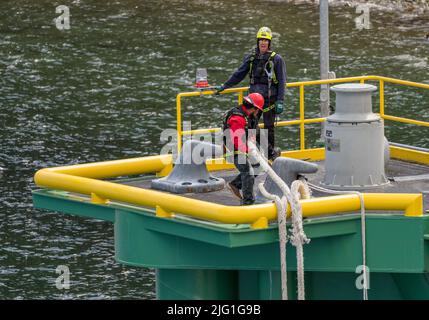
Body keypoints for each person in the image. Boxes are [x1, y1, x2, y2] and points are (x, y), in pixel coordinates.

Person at [215, 26, 287, 161]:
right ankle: (251, 152)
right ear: (257, 41)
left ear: (269, 42)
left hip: (270, 100)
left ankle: (270, 154)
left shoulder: (276, 59)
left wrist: (280, 100)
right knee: (250, 126)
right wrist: (225, 85)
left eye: (266, 40)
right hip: (253, 101)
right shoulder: (251, 58)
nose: (263, 43)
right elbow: (239, 74)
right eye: (261, 40)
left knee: (269, 127)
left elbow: (282, 81)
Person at [223, 93, 264, 205]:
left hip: (245, 148)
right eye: (258, 110)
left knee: (259, 166)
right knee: (248, 171)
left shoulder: (249, 117)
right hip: (233, 150)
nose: (258, 113)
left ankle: (235, 184)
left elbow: (254, 134)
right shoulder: (238, 119)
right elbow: (237, 141)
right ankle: (248, 202)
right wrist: (250, 152)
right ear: (254, 108)